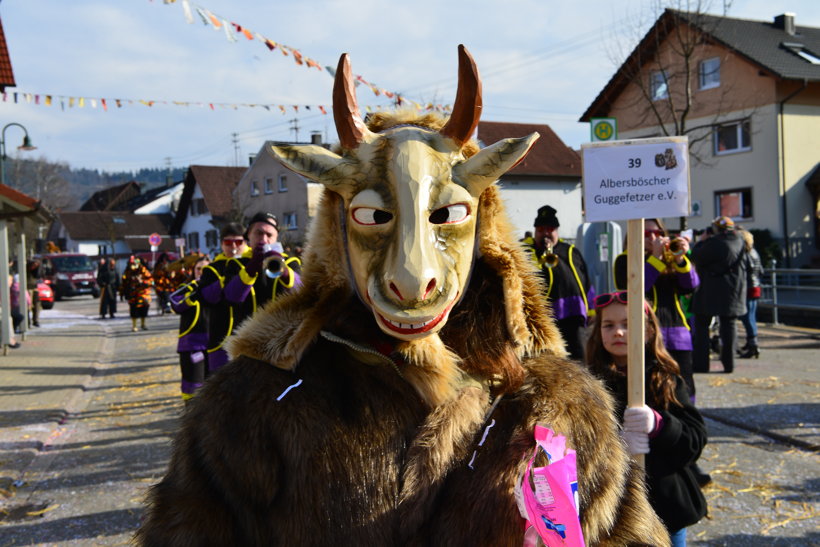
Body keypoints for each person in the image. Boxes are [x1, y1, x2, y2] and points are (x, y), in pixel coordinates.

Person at [137, 51, 669, 545]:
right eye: (373, 219)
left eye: (447, 218)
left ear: (483, 234)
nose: (414, 277)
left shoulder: (557, 402)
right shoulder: (258, 401)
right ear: (339, 235)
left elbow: (623, 533)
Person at [585, 291, 708, 546]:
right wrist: (616, 444)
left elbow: (695, 439)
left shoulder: (665, 379)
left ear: (649, 331)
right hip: (614, 511)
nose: (618, 332)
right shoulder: (589, 383)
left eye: (628, 324)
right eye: (609, 325)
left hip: (665, 508)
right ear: (598, 333)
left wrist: (660, 426)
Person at [614, 218, 699, 398]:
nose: (653, 238)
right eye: (647, 234)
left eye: (658, 233)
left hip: (677, 330)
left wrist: (680, 259)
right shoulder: (625, 259)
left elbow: (690, 286)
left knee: (684, 382)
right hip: (645, 330)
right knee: (651, 383)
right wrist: (656, 259)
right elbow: (636, 288)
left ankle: (689, 420)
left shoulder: (671, 259)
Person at [524, 205, 594, 360]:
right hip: (543, 317)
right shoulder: (526, 250)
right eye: (541, 230)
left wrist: (591, 309)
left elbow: (585, 280)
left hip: (572, 315)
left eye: (550, 230)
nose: (545, 234)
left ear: (556, 231)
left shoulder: (570, 251)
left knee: (577, 357)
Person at [223, 212, 301, 326]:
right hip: (246, 334)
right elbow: (231, 297)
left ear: (276, 238)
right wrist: (251, 267)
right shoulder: (235, 263)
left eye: (269, 235)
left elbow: (303, 292)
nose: (264, 240)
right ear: (249, 234)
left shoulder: (291, 262)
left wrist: (284, 272)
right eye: (259, 233)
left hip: (280, 332)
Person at [690, 216, 747, 374]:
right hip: (733, 291)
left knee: (702, 326)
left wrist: (701, 241)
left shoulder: (714, 243)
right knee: (729, 326)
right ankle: (729, 364)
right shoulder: (740, 241)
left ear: (716, 229)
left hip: (710, 290)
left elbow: (695, 256)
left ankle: (701, 364)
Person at [197, 222, 247, 372]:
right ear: (221, 244)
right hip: (220, 335)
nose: (233, 247)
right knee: (220, 385)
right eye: (228, 242)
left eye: (238, 242)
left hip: (249, 335)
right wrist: (225, 281)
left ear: (245, 242)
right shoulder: (213, 268)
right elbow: (205, 298)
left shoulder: (255, 262)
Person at [169, 255, 210, 404]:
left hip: (214, 345)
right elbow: (176, 305)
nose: (201, 272)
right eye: (198, 269)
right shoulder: (186, 287)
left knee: (213, 384)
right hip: (192, 345)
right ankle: (192, 417)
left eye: (206, 269)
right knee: (193, 385)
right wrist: (193, 294)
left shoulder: (216, 288)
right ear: (193, 271)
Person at [738, 229, 762, 359]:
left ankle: (753, 344)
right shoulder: (755, 252)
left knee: (747, 318)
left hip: (748, 287)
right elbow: (760, 270)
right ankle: (750, 342)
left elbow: (747, 269)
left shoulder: (745, 254)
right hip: (755, 285)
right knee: (751, 316)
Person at [121, 256, 153, 332]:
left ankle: (143, 324)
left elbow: (151, 281)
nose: (133, 266)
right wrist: (123, 292)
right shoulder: (127, 272)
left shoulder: (144, 271)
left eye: (134, 264)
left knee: (144, 309)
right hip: (133, 294)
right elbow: (123, 283)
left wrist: (142, 282)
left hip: (143, 294)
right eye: (131, 264)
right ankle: (134, 326)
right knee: (133, 310)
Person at [26, 258, 42, 327]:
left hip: (34, 288)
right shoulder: (26, 269)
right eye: (33, 265)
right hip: (27, 288)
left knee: (36, 305)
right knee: (27, 306)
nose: (34, 266)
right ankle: (27, 322)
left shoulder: (36, 271)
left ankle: (35, 320)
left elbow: (38, 275)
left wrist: (37, 267)